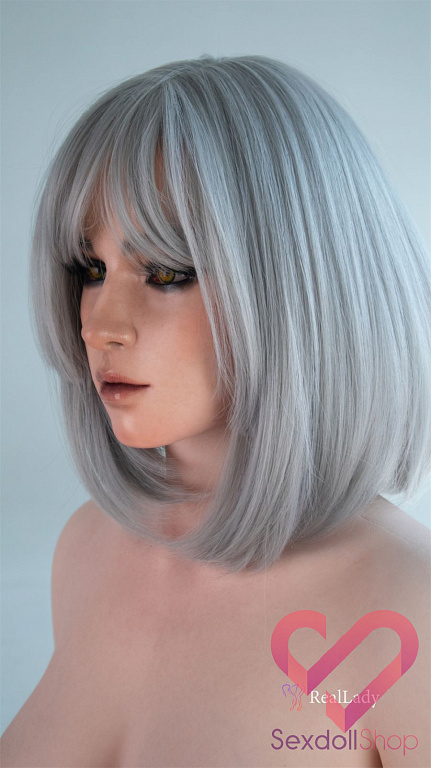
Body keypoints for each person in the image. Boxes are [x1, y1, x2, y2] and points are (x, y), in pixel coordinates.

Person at [1, 54, 430, 768]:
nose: (101, 325)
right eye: (91, 269)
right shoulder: (88, 550)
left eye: (167, 271)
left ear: (300, 286)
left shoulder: (408, 609)